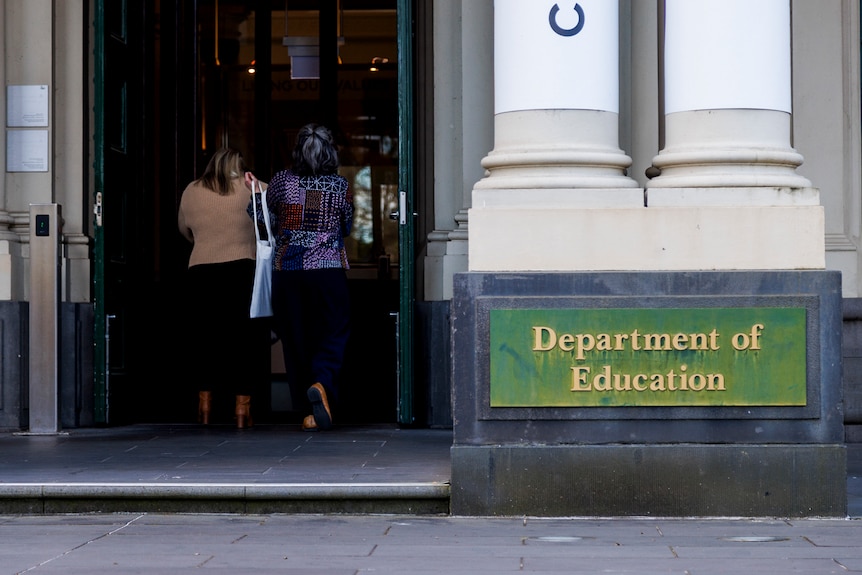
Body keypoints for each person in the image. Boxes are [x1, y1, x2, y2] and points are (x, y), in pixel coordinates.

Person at [247, 124, 354, 431]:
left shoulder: (281, 182)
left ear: (298, 152)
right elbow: (346, 227)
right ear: (330, 152)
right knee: (334, 332)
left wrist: (255, 190)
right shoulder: (340, 185)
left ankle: (309, 411)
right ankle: (322, 384)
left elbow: (260, 218)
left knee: (296, 341)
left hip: (289, 272)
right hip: (328, 270)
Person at [177, 147, 271, 429]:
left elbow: (184, 229)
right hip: (243, 270)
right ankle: (242, 410)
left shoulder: (191, 190)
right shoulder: (256, 187)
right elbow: (268, 227)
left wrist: (207, 241)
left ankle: (204, 406)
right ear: (241, 167)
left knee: (205, 339)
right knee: (246, 342)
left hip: (201, 272)